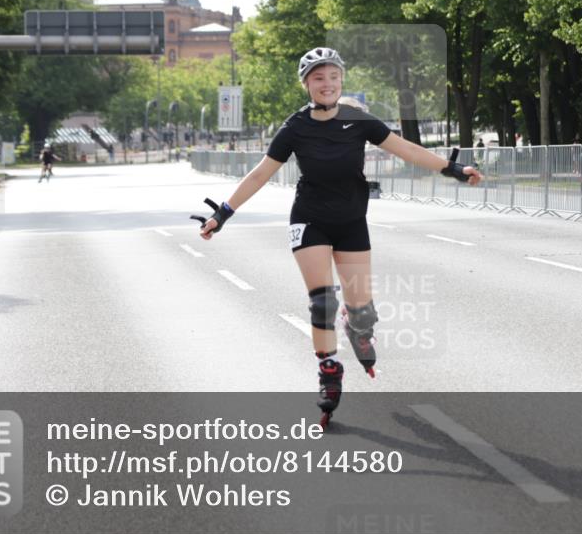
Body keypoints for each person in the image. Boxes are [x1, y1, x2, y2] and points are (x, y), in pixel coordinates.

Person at [192, 47, 483, 426]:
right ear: (307, 84)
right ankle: (329, 372)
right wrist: (223, 214)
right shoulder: (295, 127)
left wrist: (454, 169)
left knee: (361, 309)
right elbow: (261, 173)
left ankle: (358, 326)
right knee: (322, 303)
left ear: (341, 80)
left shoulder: (359, 121)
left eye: (332, 77)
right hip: (310, 220)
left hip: (351, 221)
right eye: (318, 78)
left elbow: (407, 150)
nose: (326, 84)